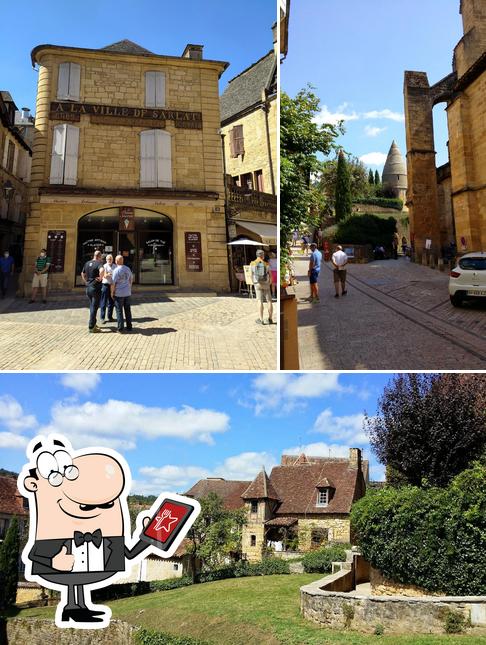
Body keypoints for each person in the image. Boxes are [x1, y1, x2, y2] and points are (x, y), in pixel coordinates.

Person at [81, 250, 104, 333]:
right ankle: (91, 327)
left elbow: (82, 273)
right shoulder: (99, 263)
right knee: (94, 307)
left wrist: (85, 282)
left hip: (88, 287)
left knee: (92, 306)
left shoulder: (87, 263)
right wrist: (100, 278)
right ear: (99, 256)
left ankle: (93, 323)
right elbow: (101, 270)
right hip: (95, 288)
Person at [251, 249, 274, 325]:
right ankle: (270, 318)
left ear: (257, 255)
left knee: (259, 301)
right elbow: (271, 275)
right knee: (269, 301)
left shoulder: (252, 263)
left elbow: (251, 275)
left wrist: (253, 282)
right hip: (266, 284)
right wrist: (269, 283)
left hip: (257, 284)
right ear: (263, 256)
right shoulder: (266, 264)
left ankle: (261, 319)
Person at [111, 255, 133, 333]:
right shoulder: (127, 269)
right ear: (122, 261)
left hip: (119, 293)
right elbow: (131, 279)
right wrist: (129, 288)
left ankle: (120, 328)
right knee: (128, 310)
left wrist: (111, 292)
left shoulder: (116, 270)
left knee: (119, 311)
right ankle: (129, 326)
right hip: (127, 292)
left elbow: (113, 283)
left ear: (116, 261)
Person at [100, 254, 116, 323]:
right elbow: (105, 276)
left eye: (111, 259)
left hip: (112, 285)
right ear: (106, 260)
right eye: (108, 259)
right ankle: (102, 318)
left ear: (112, 259)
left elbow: (116, 275)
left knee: (111, 302)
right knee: (104, 302)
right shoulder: (104, 266)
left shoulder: (115, 266)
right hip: (105, 285)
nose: (109, 260)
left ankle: (110, 317)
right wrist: (109, 274)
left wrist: (109, 274)